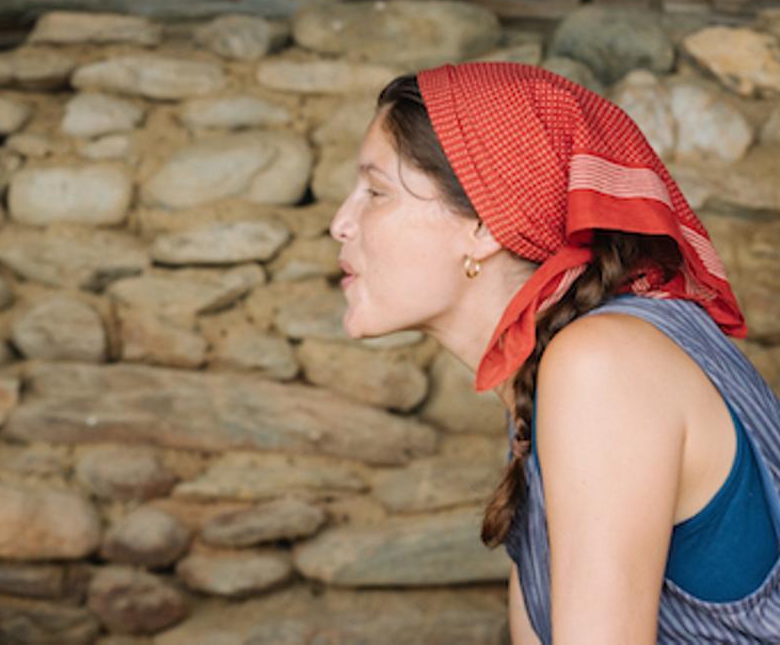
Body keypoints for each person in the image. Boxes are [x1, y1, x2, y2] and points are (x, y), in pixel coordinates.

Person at [331, 62, 780, 643]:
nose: (341, 222)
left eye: (376, 192)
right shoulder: (543, 381)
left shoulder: (603, 367)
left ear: (486, 225)